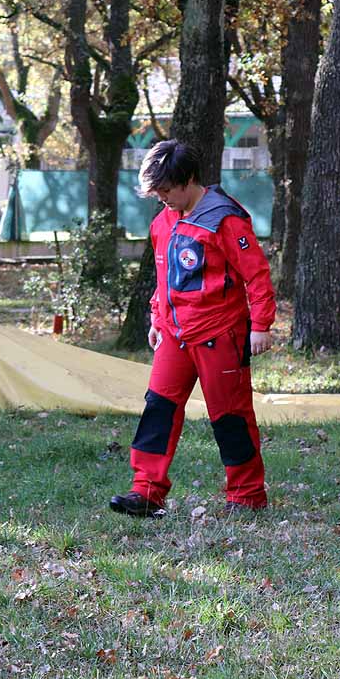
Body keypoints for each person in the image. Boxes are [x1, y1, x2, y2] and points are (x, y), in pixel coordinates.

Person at [109, 139, 277, 518]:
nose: (162, 198)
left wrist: (261, 324)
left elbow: (257, 275)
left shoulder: (225, 219)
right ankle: (147, 492)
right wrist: (156, 317)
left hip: (221, 334)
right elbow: (164, 276)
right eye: (157, 193)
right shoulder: (162, 221)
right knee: (158, 410)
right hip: (174, 335)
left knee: (230, 415)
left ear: (188, 181)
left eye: (166, 191)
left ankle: (246, 496)